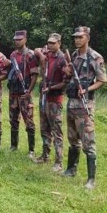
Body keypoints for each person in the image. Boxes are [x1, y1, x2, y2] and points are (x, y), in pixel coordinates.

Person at [63, 26, 106, 190]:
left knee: (88, 141)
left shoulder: (95, 57)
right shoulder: (74, 55)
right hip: (72, 101)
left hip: (84, 104)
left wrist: (87, 89)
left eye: (80, 37)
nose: (76, 40)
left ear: (87, 37)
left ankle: (91, 180)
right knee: (73, 138)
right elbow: (70, 74)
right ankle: (71, 169)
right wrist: (67, 71)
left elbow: (102, 80)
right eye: (75, 37)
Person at [33, 33, 67, 171]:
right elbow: (36, 50)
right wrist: (42, 54)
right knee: (44, 129)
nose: (50, 45)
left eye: (53, 43)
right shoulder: (47, 57)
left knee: (56, 131)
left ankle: (59, 162)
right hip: (44, 99)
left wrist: (51, 88)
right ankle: (45, 155)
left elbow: (65, 82)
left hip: (55, 99)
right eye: (49, 43)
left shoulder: (62, 59)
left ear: (59, 43)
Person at [7, 30, 38, 158]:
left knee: (29, 122)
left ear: (25, 39)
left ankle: (31, 150)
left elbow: (35, 75)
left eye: (19, 39)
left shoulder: (30, 55)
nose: (17, 41)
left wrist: (29, 91)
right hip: (13, 94)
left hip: (25, 95)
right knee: (13, 120)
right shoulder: (13, 55)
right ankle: (14, 146)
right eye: (15, 39)